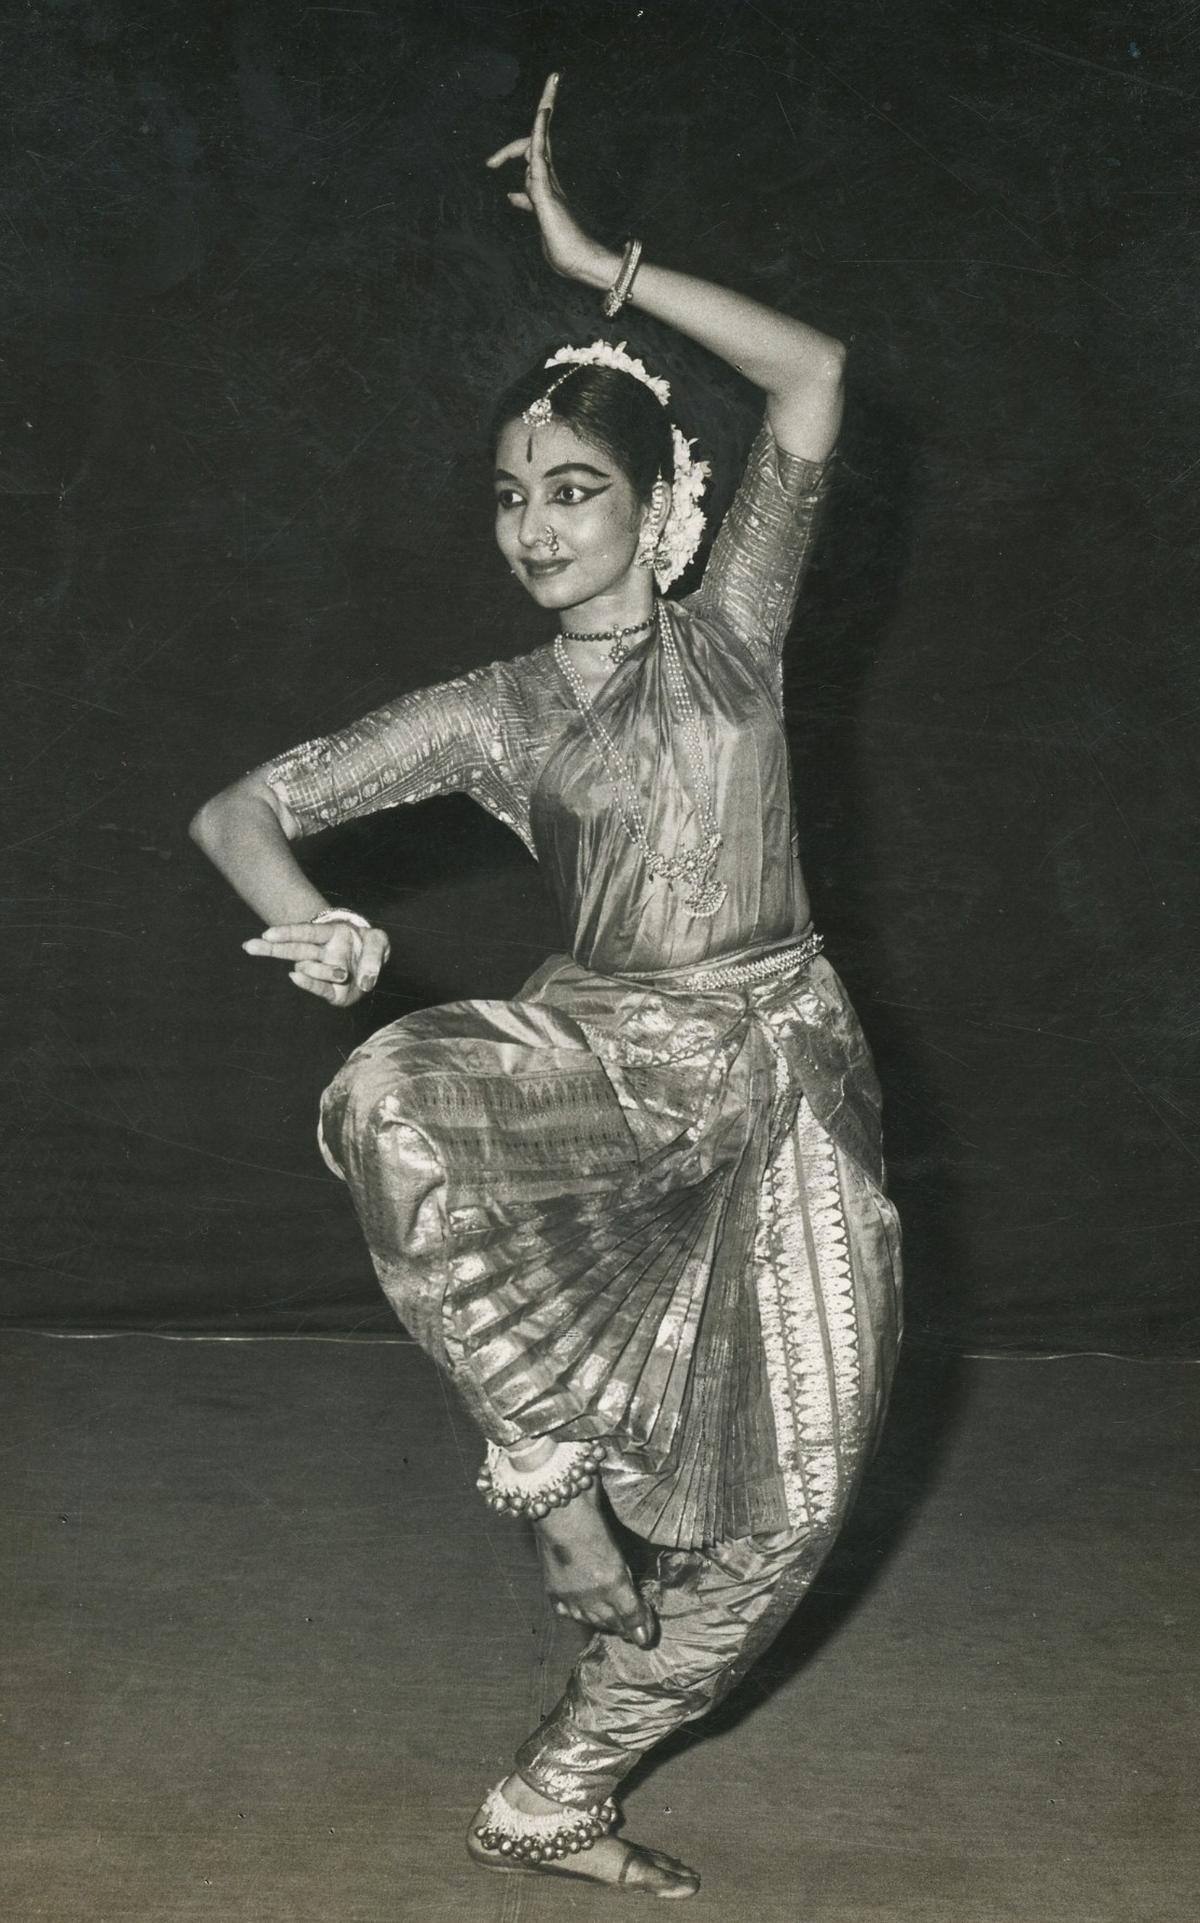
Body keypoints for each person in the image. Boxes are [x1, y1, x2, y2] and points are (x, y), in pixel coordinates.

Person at [190, 72, 902, 1901]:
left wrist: (602, 265)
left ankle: (557, 1792)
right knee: (386, 1095)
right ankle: (556, 1489)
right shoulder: (492, 711)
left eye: (575, 489)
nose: (535, 523)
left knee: (797, 1499)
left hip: (794, 1084)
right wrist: (315, 920)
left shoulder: (736, 624)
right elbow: (243, 804)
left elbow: (813, 374)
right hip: (607, 1055)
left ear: (668, 507)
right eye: (513, 494)